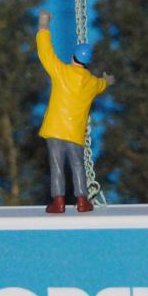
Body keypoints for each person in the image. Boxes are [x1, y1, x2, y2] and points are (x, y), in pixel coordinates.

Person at [36, 11, 110, 213]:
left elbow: (45, 53)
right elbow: (102, 84)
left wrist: (44, 25)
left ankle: (58, 202)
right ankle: (82, 201)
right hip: (75, 132)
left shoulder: (61, 72)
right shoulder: (92, 83)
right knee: (78, 165)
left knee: (57, 166)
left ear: (73, 57)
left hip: (55, 129)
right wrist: (108, 80)